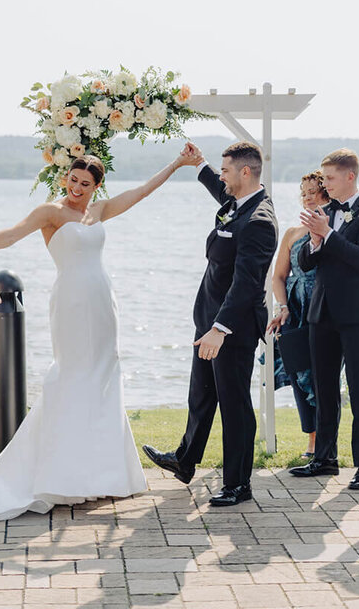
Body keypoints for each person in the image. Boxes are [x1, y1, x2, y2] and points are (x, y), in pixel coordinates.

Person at [0, 152, 189, 520]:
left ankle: (103, 475)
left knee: (103, 377)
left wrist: (176, 165)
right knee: (71, 376)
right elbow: (11, 235)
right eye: (73, 180)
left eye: (86, 184)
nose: (77, 189)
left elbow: (141, 192)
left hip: (102, 301)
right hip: (71, 302)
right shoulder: (51, 212)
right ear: (66, 177)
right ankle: (62, 475)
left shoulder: (99, 211)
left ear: (96, 187)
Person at [142, 142, 277, 507]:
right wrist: (198, 163)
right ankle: (185, 461)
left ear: (245, 172)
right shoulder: (237, 202)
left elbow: (247, 283)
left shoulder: (260, 221)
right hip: (209, 322)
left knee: (234, 406)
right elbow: (220, 191)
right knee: (201, 396)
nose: (222, 176)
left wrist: (220, 329)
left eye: (226, 170)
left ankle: (238, 483)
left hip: (230, 329)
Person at [287, 149, 359, 488]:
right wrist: (315, 242)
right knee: (324, 388)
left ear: (349, 176)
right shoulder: (323, 211)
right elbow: (305, 261)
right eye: (323, 178)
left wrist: (328, 235)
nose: (324, 184)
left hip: (358, 314)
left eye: (329, 178)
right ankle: (325, 459)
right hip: (322, 313)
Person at [264, 171, 325, 458]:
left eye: (313, 191)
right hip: (295, 310)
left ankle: (327, 440)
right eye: (303, 192)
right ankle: (311, 440)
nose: (307, 197)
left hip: (324, 310)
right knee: (299, 372)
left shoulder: (333, 229)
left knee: (322, 376)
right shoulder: (291, 234)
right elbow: (278, 276)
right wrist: (283, 306)